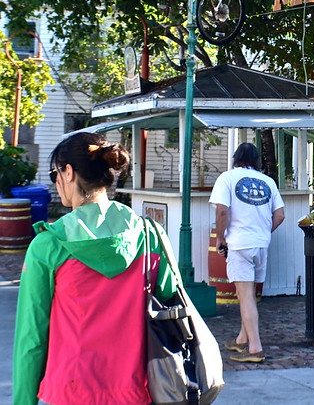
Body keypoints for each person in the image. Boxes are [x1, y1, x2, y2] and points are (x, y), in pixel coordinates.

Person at [13, 132, 179, 405]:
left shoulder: (49, 245)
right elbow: (170, 304)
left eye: (55, 172)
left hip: (68, 392)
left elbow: (31, 340)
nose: (55, 180)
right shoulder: (151, 236)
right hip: (138, 392)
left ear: (68, 172)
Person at [210, 142, 285, 363]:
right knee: (249, 295)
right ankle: (242, 339)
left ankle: (255, 348)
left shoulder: (227, 178)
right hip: (261, 244)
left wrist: (220, 238)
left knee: (245, 296)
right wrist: (263, 232)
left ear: (236, 158)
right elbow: (280, 215)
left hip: (240, 243)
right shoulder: (268, 181)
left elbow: (223, 210)